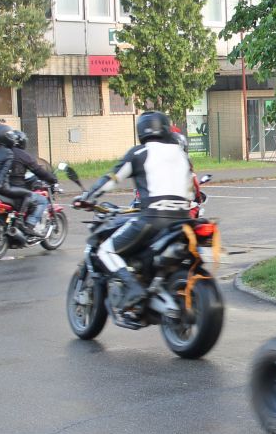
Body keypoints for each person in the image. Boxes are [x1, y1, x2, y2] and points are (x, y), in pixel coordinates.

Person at [75, 111, 196, 315]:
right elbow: (190, 192)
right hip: (183, 220)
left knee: (106, 250)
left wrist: (88, 196)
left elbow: (112, 179)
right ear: (165, 128)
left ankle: (132, 287)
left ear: (141, 130)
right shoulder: (181, 155)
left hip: (153, 219)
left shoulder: (139, 153)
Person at [6, 130, 59, 236]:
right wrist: (52, 178)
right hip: (16, 190)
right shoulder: (23, 155)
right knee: (42, 201)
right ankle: (30, 226)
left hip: (0, 188)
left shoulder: (2, 153)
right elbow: (38, 170)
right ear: (22, 142)